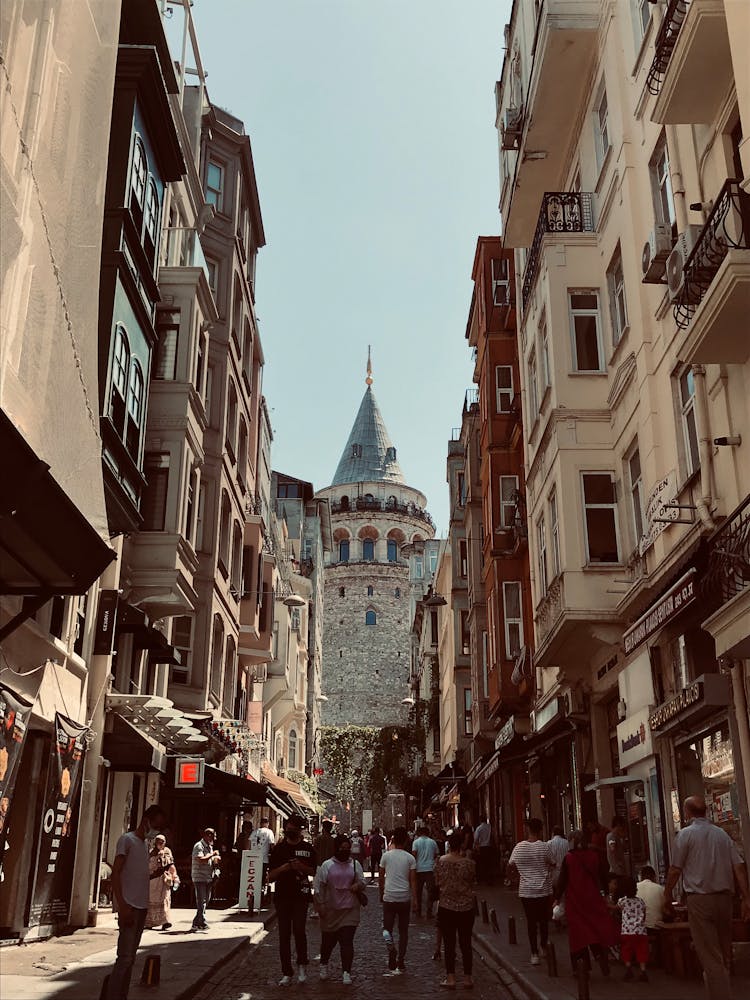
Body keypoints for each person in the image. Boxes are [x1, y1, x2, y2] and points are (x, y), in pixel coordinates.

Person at [663, 795, 750, 1000]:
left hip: (700, 900)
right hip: (725, 899)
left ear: (687, 813)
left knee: (710, 956)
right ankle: (718, 991)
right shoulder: (721, 835)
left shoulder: (685, 835)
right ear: (706, 812)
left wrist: (667, 894)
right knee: (722, 951)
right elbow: (738, 867)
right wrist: (746, 897)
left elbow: (675, 870)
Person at [104, 803, 166, 1000]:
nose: (156, 831)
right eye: (156, 825)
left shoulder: (144, 845)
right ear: (146, 821)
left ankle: (122, 995)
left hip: (141, 908)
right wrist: (122, 906)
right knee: (124, 958)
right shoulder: (127, 840)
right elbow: (116, 874)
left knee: (130, 959)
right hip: (129, 907)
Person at [554, 829, 618, 976]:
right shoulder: (594, 856)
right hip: (593, 898)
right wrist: (606, 894)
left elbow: (562, 880)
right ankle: (599, 954)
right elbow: (603, 875)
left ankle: (581, 967)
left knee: (578, 934)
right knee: (593, 928)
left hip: (575, 900)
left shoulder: (569, 858)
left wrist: (557, 898)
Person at [268, 815, 317, 986]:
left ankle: (302, 964)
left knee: (299, 930)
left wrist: (300, 867)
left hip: (301, 895)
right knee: (283, 935)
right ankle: (286, 972)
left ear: (299, 830)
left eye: (293, 828)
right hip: (282, 896)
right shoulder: (279, 849)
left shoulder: (308, 848)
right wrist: (284, 868)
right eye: (288, 827)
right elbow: (270, 876)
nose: (290, 831)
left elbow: (313, 871)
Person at [314, 834, 366, 985]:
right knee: (328, 942)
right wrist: (321, 905)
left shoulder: (355, 864)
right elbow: (319, 887)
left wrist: (357, 885)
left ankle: (346, 972)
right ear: (336, 848)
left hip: (350, 910)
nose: (345, 851)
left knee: (346, 941)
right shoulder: (327, 865)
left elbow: (362, 881)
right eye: (342, 848)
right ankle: (324, 963)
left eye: (347, 848)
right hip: (331, 911)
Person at [508, 818, 555, 965]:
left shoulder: (519, 847)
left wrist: (517, 876)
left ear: (528, 830)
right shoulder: (544, 846)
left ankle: (533, 953)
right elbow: (553, 862)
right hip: (543, 889)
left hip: (526, 890)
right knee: (543, 921)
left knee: (531, 922)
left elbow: (510, 865)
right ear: (540, 830)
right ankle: (543, 947)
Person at [434, 830, 476, 990]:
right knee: (466, 943)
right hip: (466, 907)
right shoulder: (469, 863)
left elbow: (437, 882)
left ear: (448, 845)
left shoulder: (440, 862)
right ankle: (467, 978)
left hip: (447, 907)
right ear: (462, 845)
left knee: (449, 943)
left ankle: (450, 977)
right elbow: (472, 881)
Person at [379, 826, 417, 975]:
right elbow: (413, 881)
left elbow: (381, 877)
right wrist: (415, 900)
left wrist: (381, 893)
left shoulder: (386, 856)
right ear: (406, 841)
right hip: (404, 898)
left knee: (387, 930)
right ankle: (401, 959)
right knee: (403, 931)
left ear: (393, 839)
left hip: (389, 897)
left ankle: (391, 949)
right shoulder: (410, 858)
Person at [617, 875, 649, 982]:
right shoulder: (641, 901)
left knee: (626, 950)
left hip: (627, 931)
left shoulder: (622, 901)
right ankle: (643, 971)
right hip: (640, 931)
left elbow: (617, 909)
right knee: (641, 951)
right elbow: (644, 915)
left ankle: (628, 969)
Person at [145, 834, 179, 930]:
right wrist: (155, 857)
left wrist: (163, 856)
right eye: (158, 841)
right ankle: (150, 922)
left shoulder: (167, 851)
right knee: (151, 900)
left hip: (163, 880)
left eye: (162, 842)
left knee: (165, 899)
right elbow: (148, 864)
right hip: (153, 880)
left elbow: (170, 863)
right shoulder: (151, 852)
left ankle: (165, 921)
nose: (160, 843)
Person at [191, 827, 221, 931]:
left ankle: (196, 922)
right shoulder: (199, 846)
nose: (215, 838)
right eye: (214, 836)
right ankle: (202, 922)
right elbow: (201, 860)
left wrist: (215, 863)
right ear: (208, 835)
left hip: (208, 877)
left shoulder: (209, 846)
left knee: (206, 900)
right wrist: (212, 854)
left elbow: (210, 860)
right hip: (199, 876)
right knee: (201, 900)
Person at [412, 824, 439, 918]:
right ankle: (429, 910)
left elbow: (414, 855)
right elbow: (436, 854)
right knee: (430, 891)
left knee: (418, 890)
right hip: (430, 869)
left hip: (419, 869)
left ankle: (418, 910)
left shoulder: (416, 842)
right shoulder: (433, 842)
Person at [251, 816, 276, 901]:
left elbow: (248, 845)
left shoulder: (254, 832)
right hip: (263, 859)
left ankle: (253, 895)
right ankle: (260, 896)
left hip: (252, 859)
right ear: (267, 824)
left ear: (260, 823)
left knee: (253, 877)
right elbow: (272, 845)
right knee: (262, 878)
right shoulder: (269, 832)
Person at [636, 865, 664, 930]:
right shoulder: (660, 888)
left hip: (637, 928)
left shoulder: (634, 888)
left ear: (641, 877)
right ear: (654, 877)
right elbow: (665, 908)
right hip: (655, 927)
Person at [606, 815, 628, 895]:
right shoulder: (611, 836)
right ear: (618, 825)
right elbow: (612, 848)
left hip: (619, 868)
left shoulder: (617, 837)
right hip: (617, 869)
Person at [472, 815, 493, 884]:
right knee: (489, 863)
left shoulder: (479, 828)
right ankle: (489, 878)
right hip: (489, 847)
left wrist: (475, 847)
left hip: (482, 847)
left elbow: (476, 839)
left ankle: (483, 878)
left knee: (482, 863)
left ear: (480, 820)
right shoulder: (489, 827)